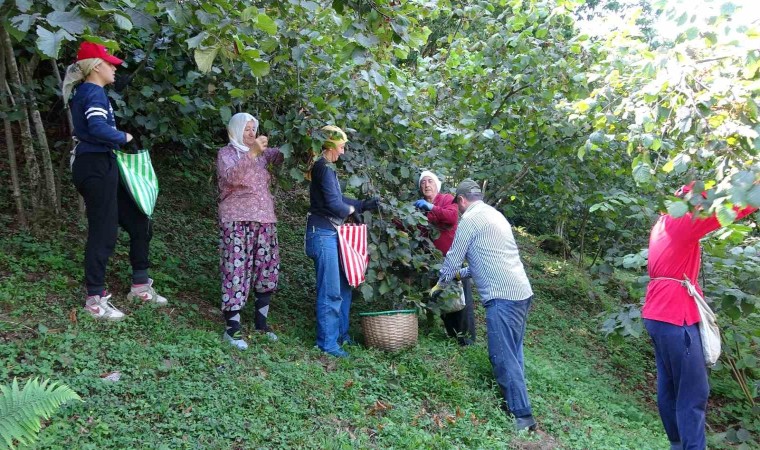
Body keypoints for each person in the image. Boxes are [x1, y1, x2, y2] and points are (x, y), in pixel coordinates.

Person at [643, 182, 757, 450]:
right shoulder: (680, 221)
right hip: (674, 314)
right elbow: (726, 210)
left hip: (659, 312)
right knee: (694, 391)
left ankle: (677, 444)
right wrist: (753, 189)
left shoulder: (664, 222)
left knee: (671, 387)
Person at [64, 41, 168, 321]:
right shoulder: (92, 92)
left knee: (138, 220)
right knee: (104, 231)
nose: (114, 68)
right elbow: (97, 128)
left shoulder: (91, 92)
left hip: (104, 163)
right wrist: (124, 137)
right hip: (94, 164)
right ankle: (94, 300)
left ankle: (140, 286)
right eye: (110, 64)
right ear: (96, 66)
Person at [431, 179, 537, 432]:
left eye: (457, 204)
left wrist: (438, 286)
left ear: (461, 200)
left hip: (503, 297)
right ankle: (517, 404)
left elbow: (453, 258)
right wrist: (462, 274)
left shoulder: (470, 220)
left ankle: (522, 416)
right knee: (513, 352)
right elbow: (487, 258)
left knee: (501, 355)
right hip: (521, 292)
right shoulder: (494, 215)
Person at [305, 125, 379, 358]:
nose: (343, 152)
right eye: (341, 146)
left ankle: (341, 335)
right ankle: (327, 344)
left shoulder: (327, 168)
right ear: (330, 145)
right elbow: (335, 205)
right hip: (322, 234)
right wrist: (352, 211)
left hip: (332, 233)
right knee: (331, 290)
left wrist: (362, 204)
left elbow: (338, 198)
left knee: (344, 287)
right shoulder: (323, 167)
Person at [217, 113, 284, 350]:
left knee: (267, 270)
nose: (251, 133)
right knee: (236, 270)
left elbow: (286, 154)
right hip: (236, 220)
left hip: (265, 220)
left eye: (253, 129)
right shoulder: (227, 154)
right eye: (246, 129)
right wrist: (252, 153)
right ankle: (232, 329)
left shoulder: (264, 154)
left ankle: (261, 324)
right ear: (234, 130)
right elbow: (231, 177)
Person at [414, 171, 476, 345]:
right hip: (432, 262)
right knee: (443, 299)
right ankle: (452, 336)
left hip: (453, 260)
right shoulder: (418, 208)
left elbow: (451, 217)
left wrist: (431, 208)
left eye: (430, 181)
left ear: (437, 185)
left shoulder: (447, 199)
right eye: (423, 182)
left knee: (460, 299)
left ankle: (467, 341)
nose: (426, 185)